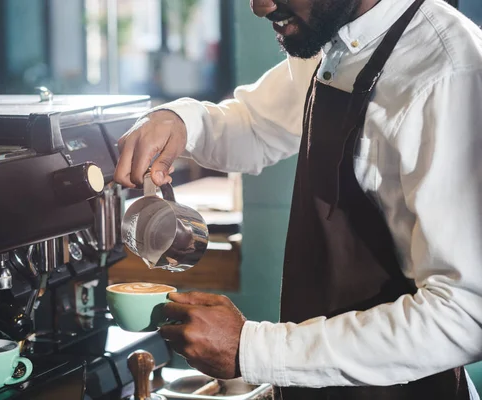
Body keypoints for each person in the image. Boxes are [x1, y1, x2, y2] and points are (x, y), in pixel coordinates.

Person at [113, 0, 482, 398]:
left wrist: (253, 349)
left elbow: (465, 312)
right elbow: (256, 126)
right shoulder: (338, 37)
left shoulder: (449, 73)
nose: (260, 7)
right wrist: (182, 121)